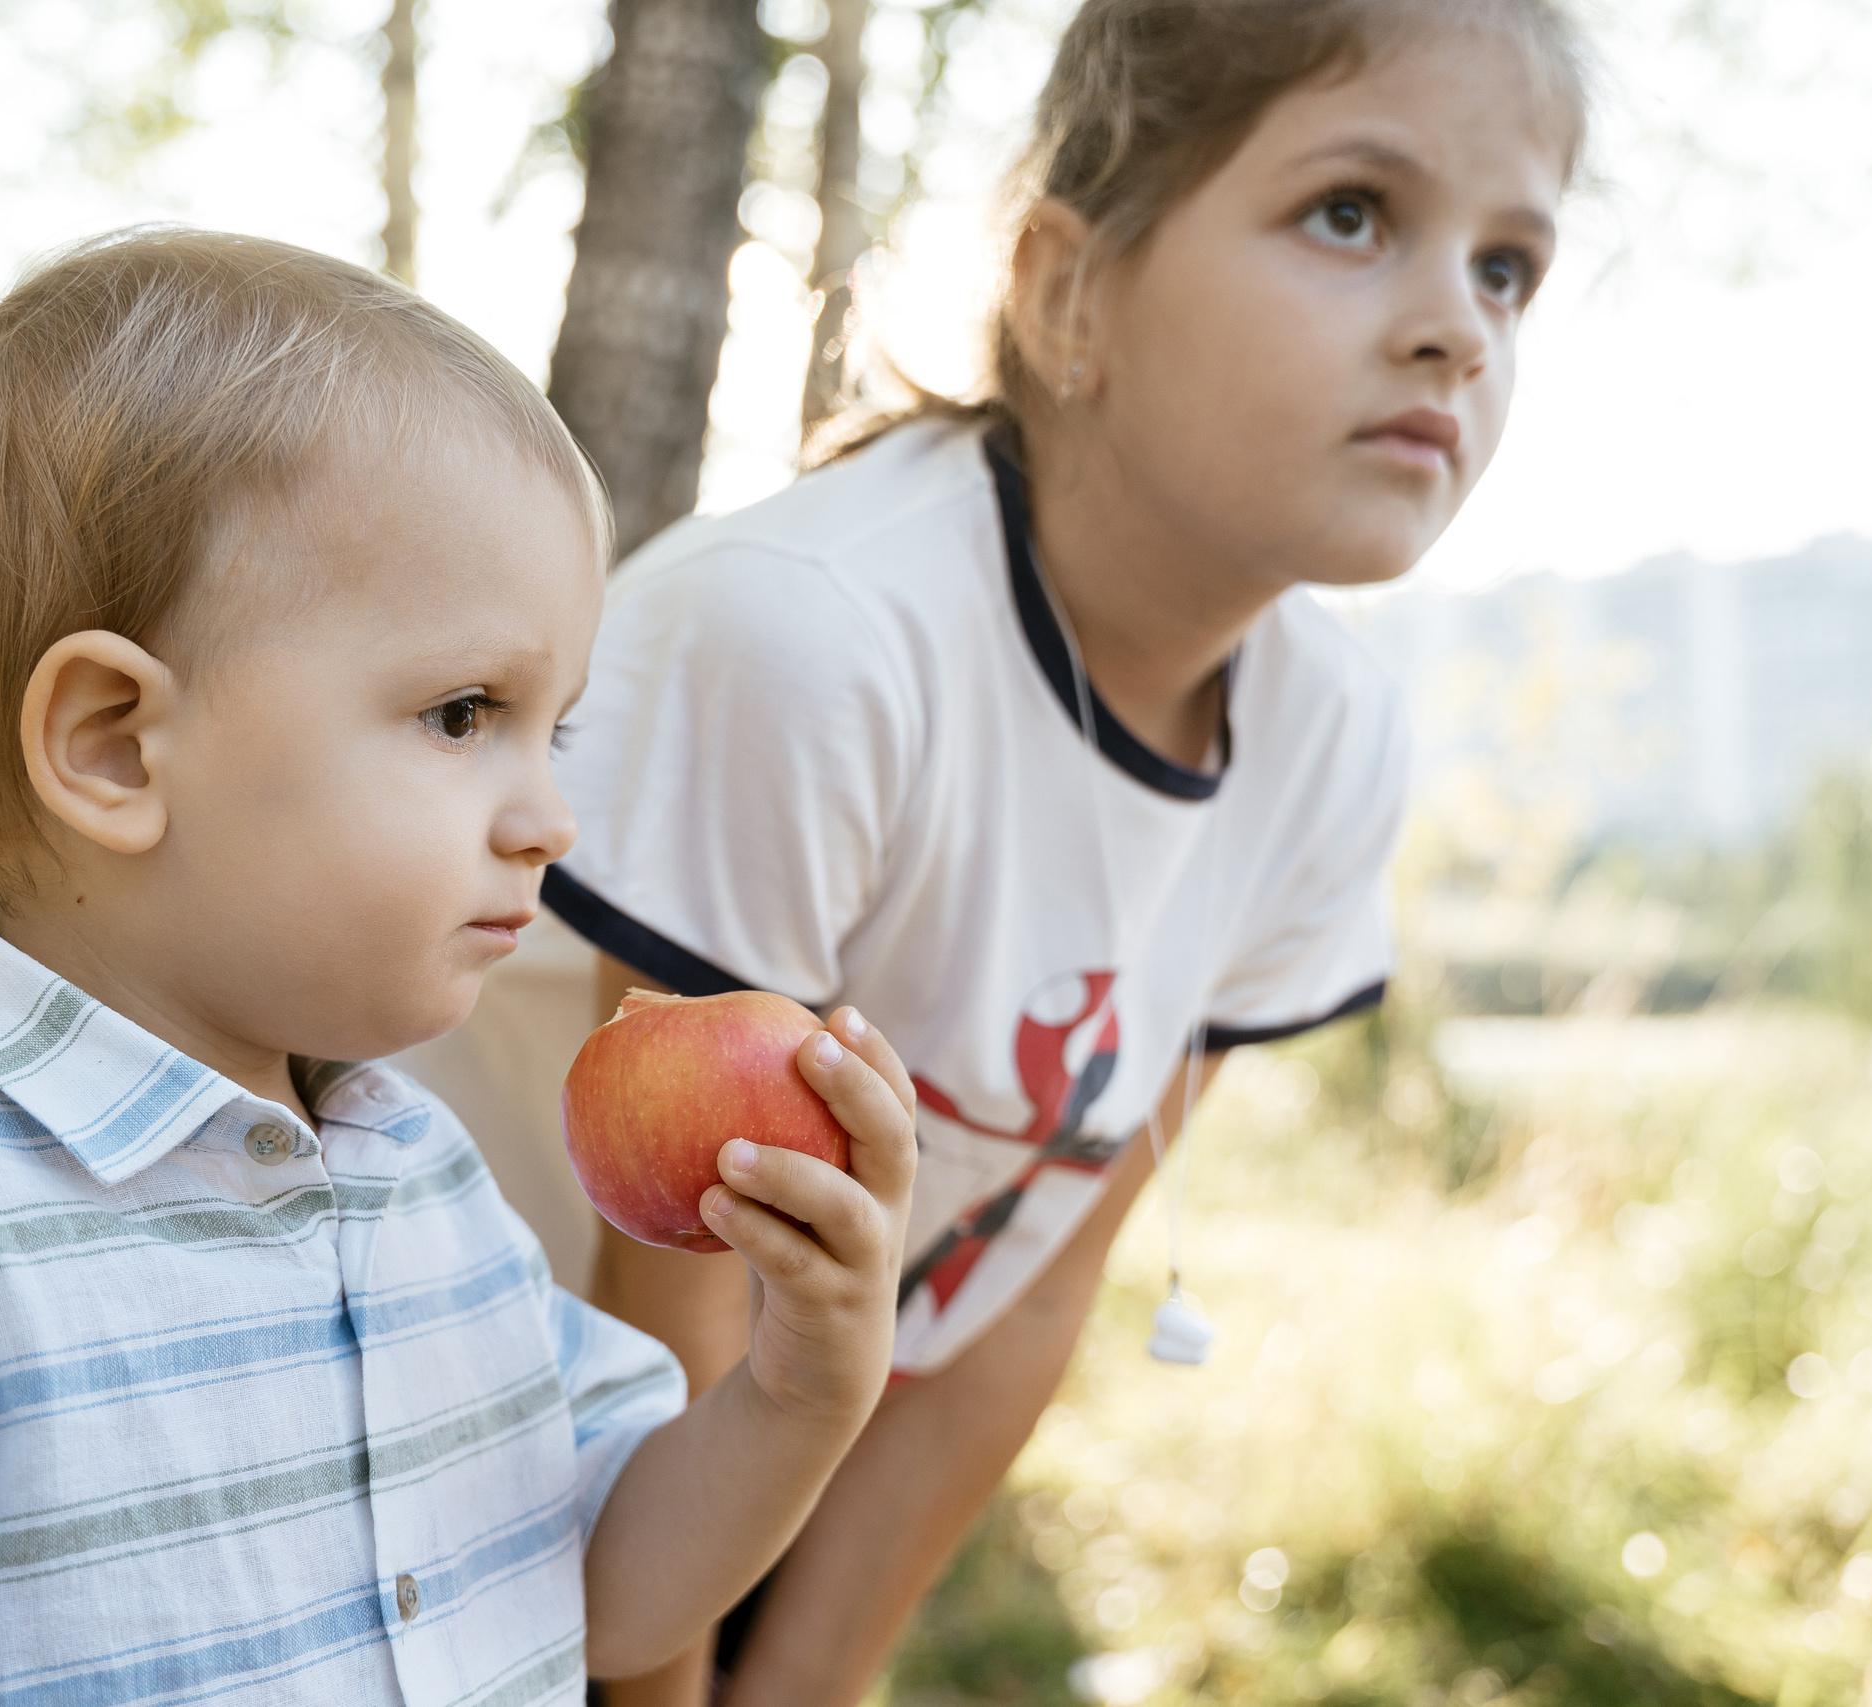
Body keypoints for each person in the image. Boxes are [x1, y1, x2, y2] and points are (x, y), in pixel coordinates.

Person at [0, 229, 920, 1707]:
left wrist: (797, 1388)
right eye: (462, 714)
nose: (549, 819)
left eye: (550, 727)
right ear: (116, 744)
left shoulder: (417, 1179)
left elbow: (600, 1596)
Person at [404, 1, 1595, 1700]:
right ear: (1068, 288)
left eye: (1509, 268)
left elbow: (1028, 1287)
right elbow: (665, 1298)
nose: (1456, 332)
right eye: (1353, 213)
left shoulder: (1331, 745)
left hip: (746, 1431)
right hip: (439, 1423)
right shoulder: (816, 643)